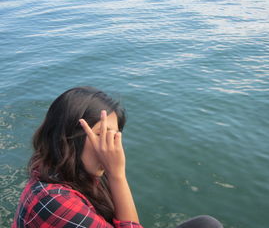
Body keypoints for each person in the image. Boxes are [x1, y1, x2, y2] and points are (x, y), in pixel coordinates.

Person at [12, 86, 223, 228]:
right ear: (67, 137)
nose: (110, 147)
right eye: (100, 135)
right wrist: (117, 175)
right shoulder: (55, 201)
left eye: (114, 135)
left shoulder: (66, 171)